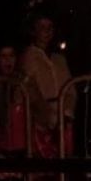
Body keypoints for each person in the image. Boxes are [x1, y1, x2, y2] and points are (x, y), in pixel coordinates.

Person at [19, 13, 76, 155]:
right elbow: (30, 89)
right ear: (34, 31)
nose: (47, 31)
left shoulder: (59, 59)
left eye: (50, 27)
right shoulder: (28, 57)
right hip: (40, 122)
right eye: (42, 27)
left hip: (62, 118)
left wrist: (66, 113)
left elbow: (70, 88)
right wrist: (46, 116)